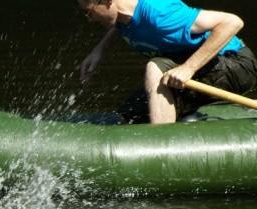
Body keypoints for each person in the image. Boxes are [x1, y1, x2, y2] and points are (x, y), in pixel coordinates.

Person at [78, 0, 257, 124]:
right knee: (131, 113)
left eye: (89, 11)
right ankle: (184, 118)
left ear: (108, 1)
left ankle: (163, 146)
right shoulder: (123, 13)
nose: (90, 18)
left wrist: (189, 68)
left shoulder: (161, 15)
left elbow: (232, 22)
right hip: (201, 65)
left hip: (237, 64)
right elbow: (121, 24)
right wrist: (98, 51)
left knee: (155, 68)